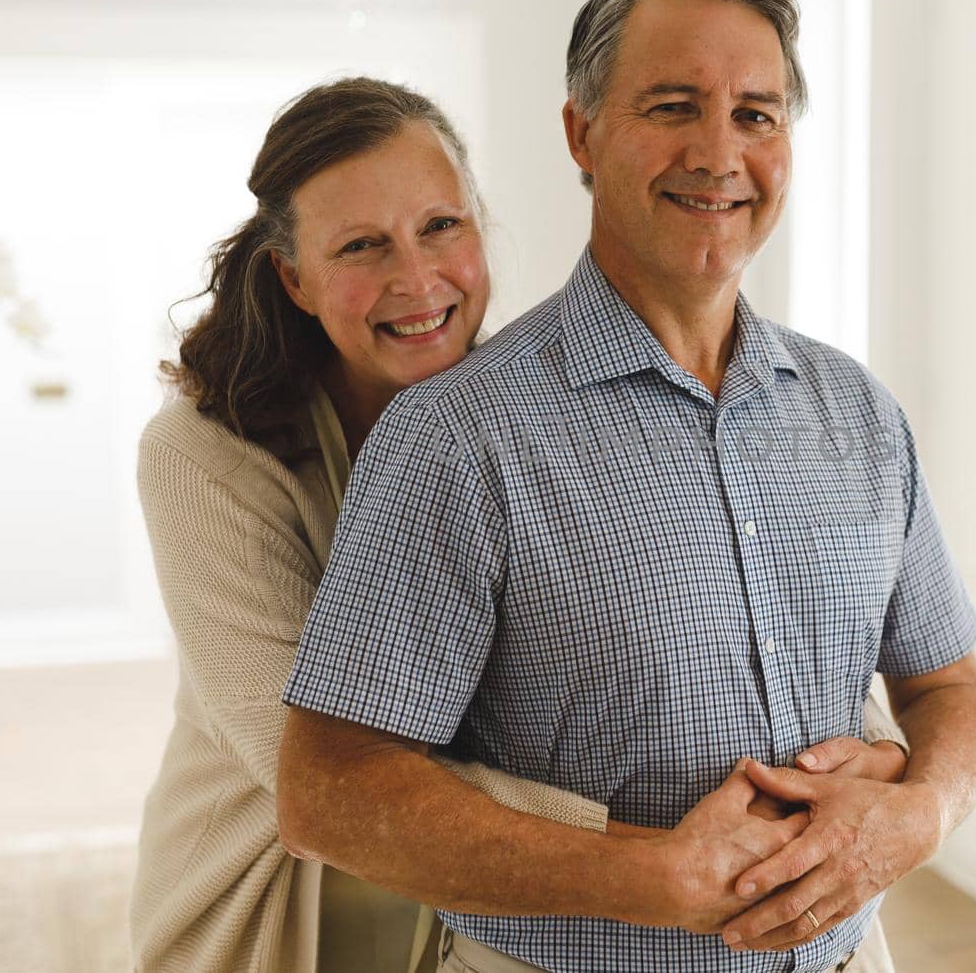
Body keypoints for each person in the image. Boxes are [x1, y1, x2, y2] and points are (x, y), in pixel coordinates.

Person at [275, 0, 976, 973]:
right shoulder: (457, 438)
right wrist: (654, 877)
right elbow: (330, 788)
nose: (718, 153)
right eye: (671, 107)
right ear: (582, 133)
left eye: (756, 114)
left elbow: (951, 688)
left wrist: (921, 812)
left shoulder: (860, 414)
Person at [128, 76, 912, 973]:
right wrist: (666, 850)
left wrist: (868, 761)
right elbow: (318, 774)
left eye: (441, 227)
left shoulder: (522, 410)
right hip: (288, 892)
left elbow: (739, 622)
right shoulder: (200, 456)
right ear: (293, 278)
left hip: (491, 910)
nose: (416, 280)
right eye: (361, 246)